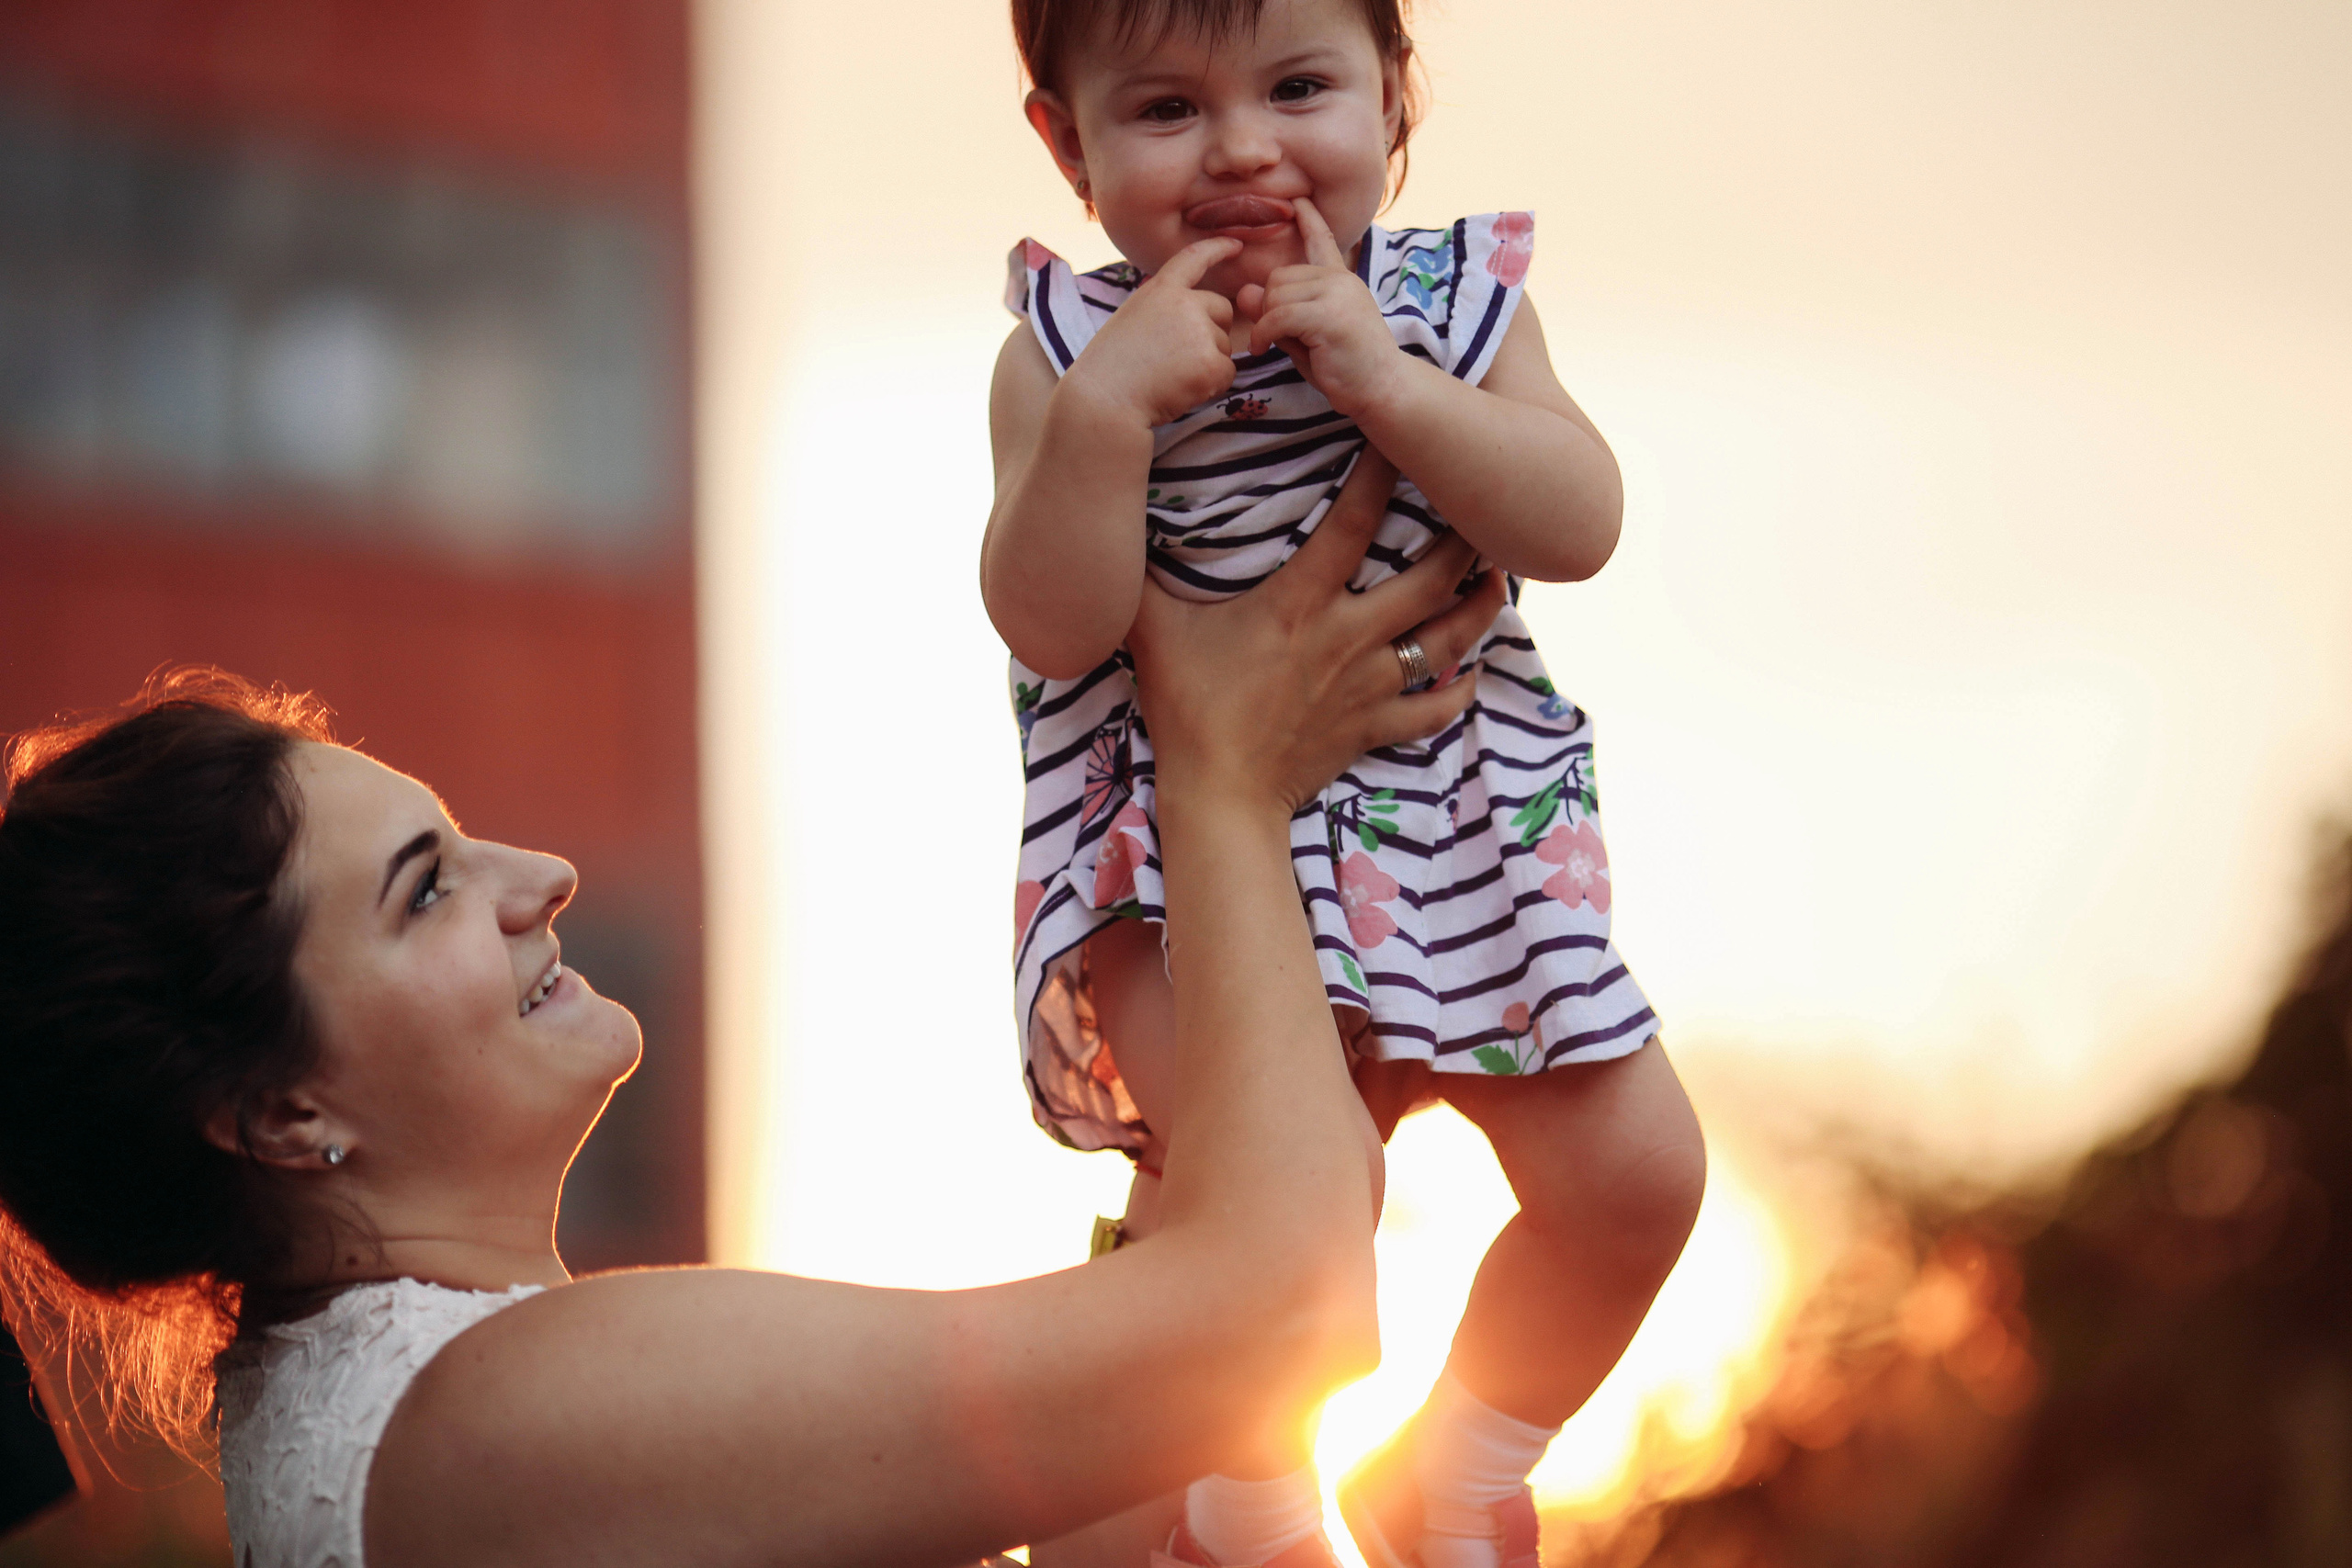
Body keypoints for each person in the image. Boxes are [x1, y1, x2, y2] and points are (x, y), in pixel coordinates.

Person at [0, 457, 1498, 1568]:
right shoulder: (506, 1412)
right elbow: (1286, 1318)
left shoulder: (405, 1412)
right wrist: (1221, 783)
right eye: (425, 890)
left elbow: (1121, 1459)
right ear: (279, 1111)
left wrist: (1190, 1081)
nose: (544, 875)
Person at [983, 3, 1709, 1566]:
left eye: (1298, 87)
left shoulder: (1451, 301)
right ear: (1069, 144)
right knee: (1290, 1210)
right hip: (1184, 870)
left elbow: (1578, 518)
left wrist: (1385, 378)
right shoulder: (1061, 353)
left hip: (1455, 832)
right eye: (1168, 109)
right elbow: (1051, 620)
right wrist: (1111, 415)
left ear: (1394, 99)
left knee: (1642, 1176)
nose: (1244, 146)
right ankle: (1247, 1513)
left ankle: (1461, 1459)